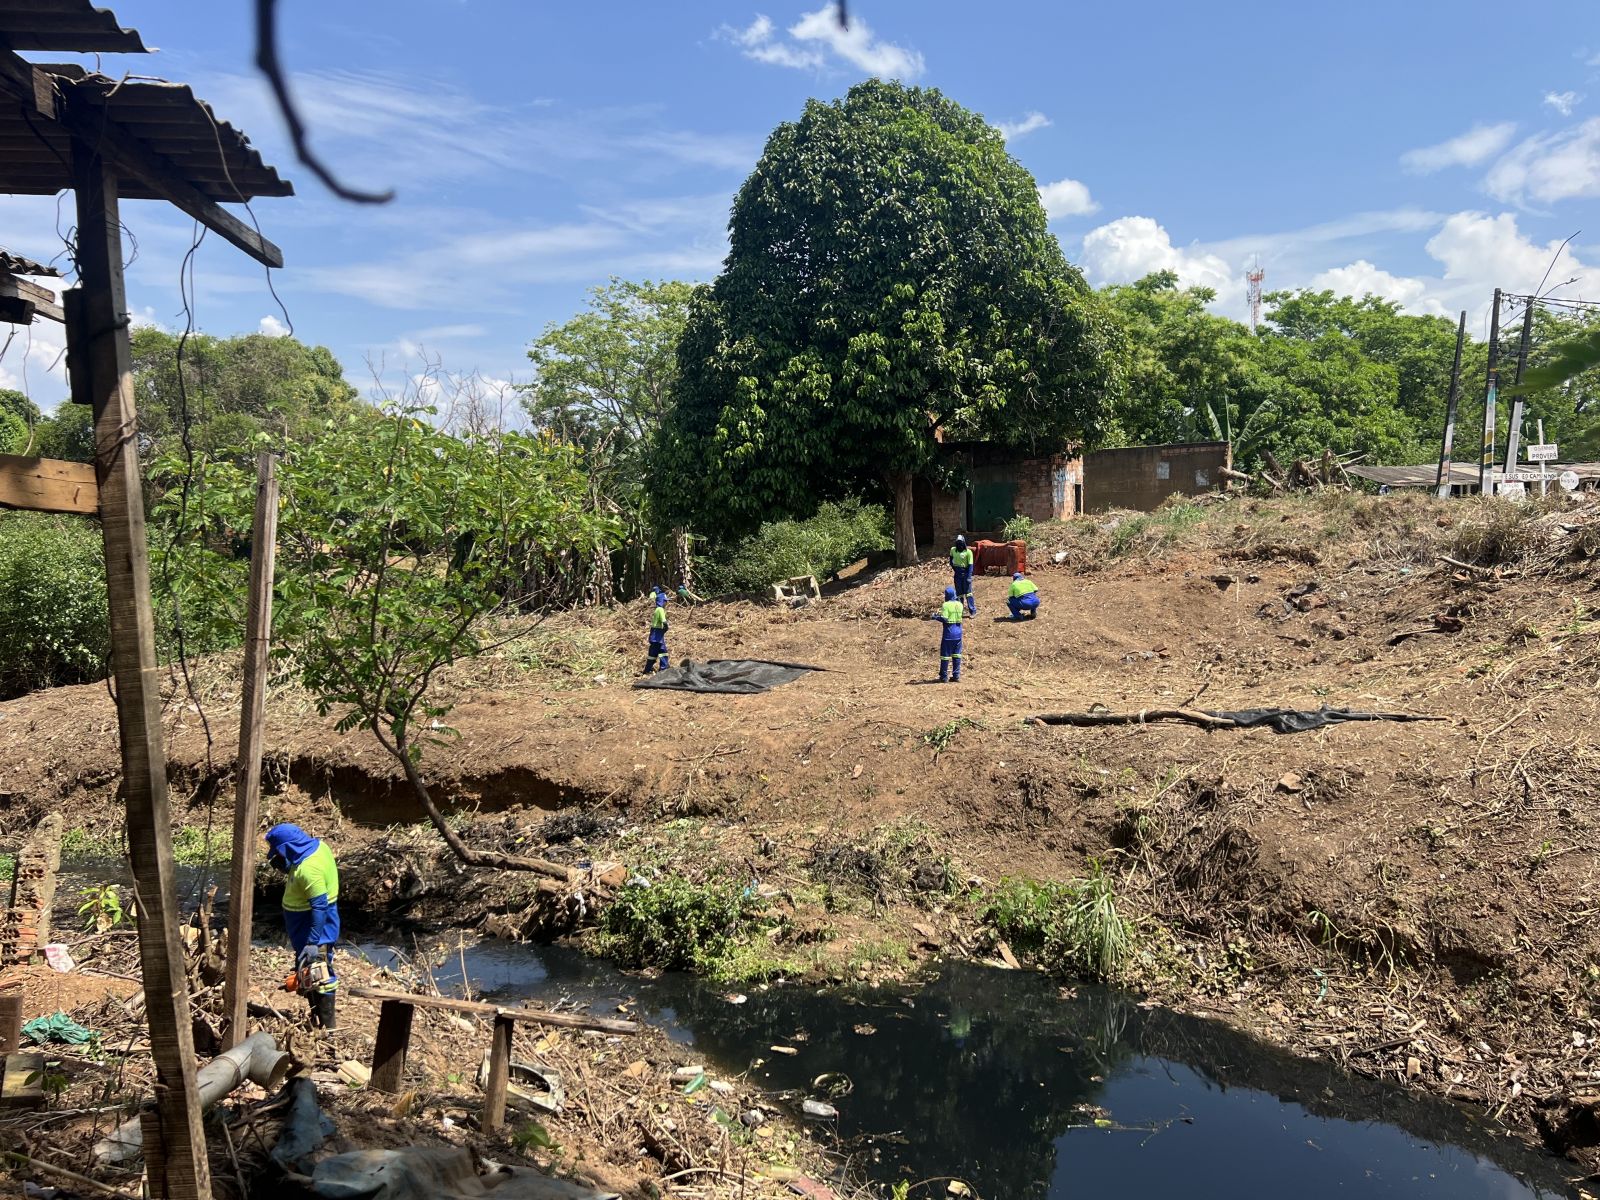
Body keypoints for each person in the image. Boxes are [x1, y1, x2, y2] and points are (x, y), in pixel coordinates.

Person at [265, 823, 340, 1030]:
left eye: (278, 851)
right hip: (306, 927)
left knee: (321, 973)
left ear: (287, 847)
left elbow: (319, 906)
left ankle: (327, 1028)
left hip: (313, 929)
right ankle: (317, 1019)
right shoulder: (319, 847)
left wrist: (313, 941)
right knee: (311, 972)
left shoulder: (309, 869)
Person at [937, 585, 964, 683]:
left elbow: (945, 618)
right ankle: (956, 676)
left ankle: (944, 677)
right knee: (957, 655)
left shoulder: (946, 605)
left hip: (949, 633)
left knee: (945, 655)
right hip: (958, 633)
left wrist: (936, 617)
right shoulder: (960, 604)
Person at [949, 535, 977, 616]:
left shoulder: (968, 552)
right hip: (957, 574)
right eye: (958, 543)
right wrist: (955, 569)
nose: (959, 544)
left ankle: (972, 611)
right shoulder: (953, 550)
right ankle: (960, 612)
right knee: (959, 594)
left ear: (964, 543)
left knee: (968, 593)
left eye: (960, 543)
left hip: (965, 573)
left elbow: (970, 565)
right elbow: (951, 561)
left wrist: (969, 577)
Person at [645, 588, 670, 673]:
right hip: (658, 633)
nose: (666, 603)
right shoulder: (660, 609)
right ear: (662, 601)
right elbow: (664, 621)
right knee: (663, 650)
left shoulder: (656, 610)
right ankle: (664, 668)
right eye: (665, 601)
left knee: (653, 652)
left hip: (653, 633)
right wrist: (666, 626)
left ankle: (647, 669)